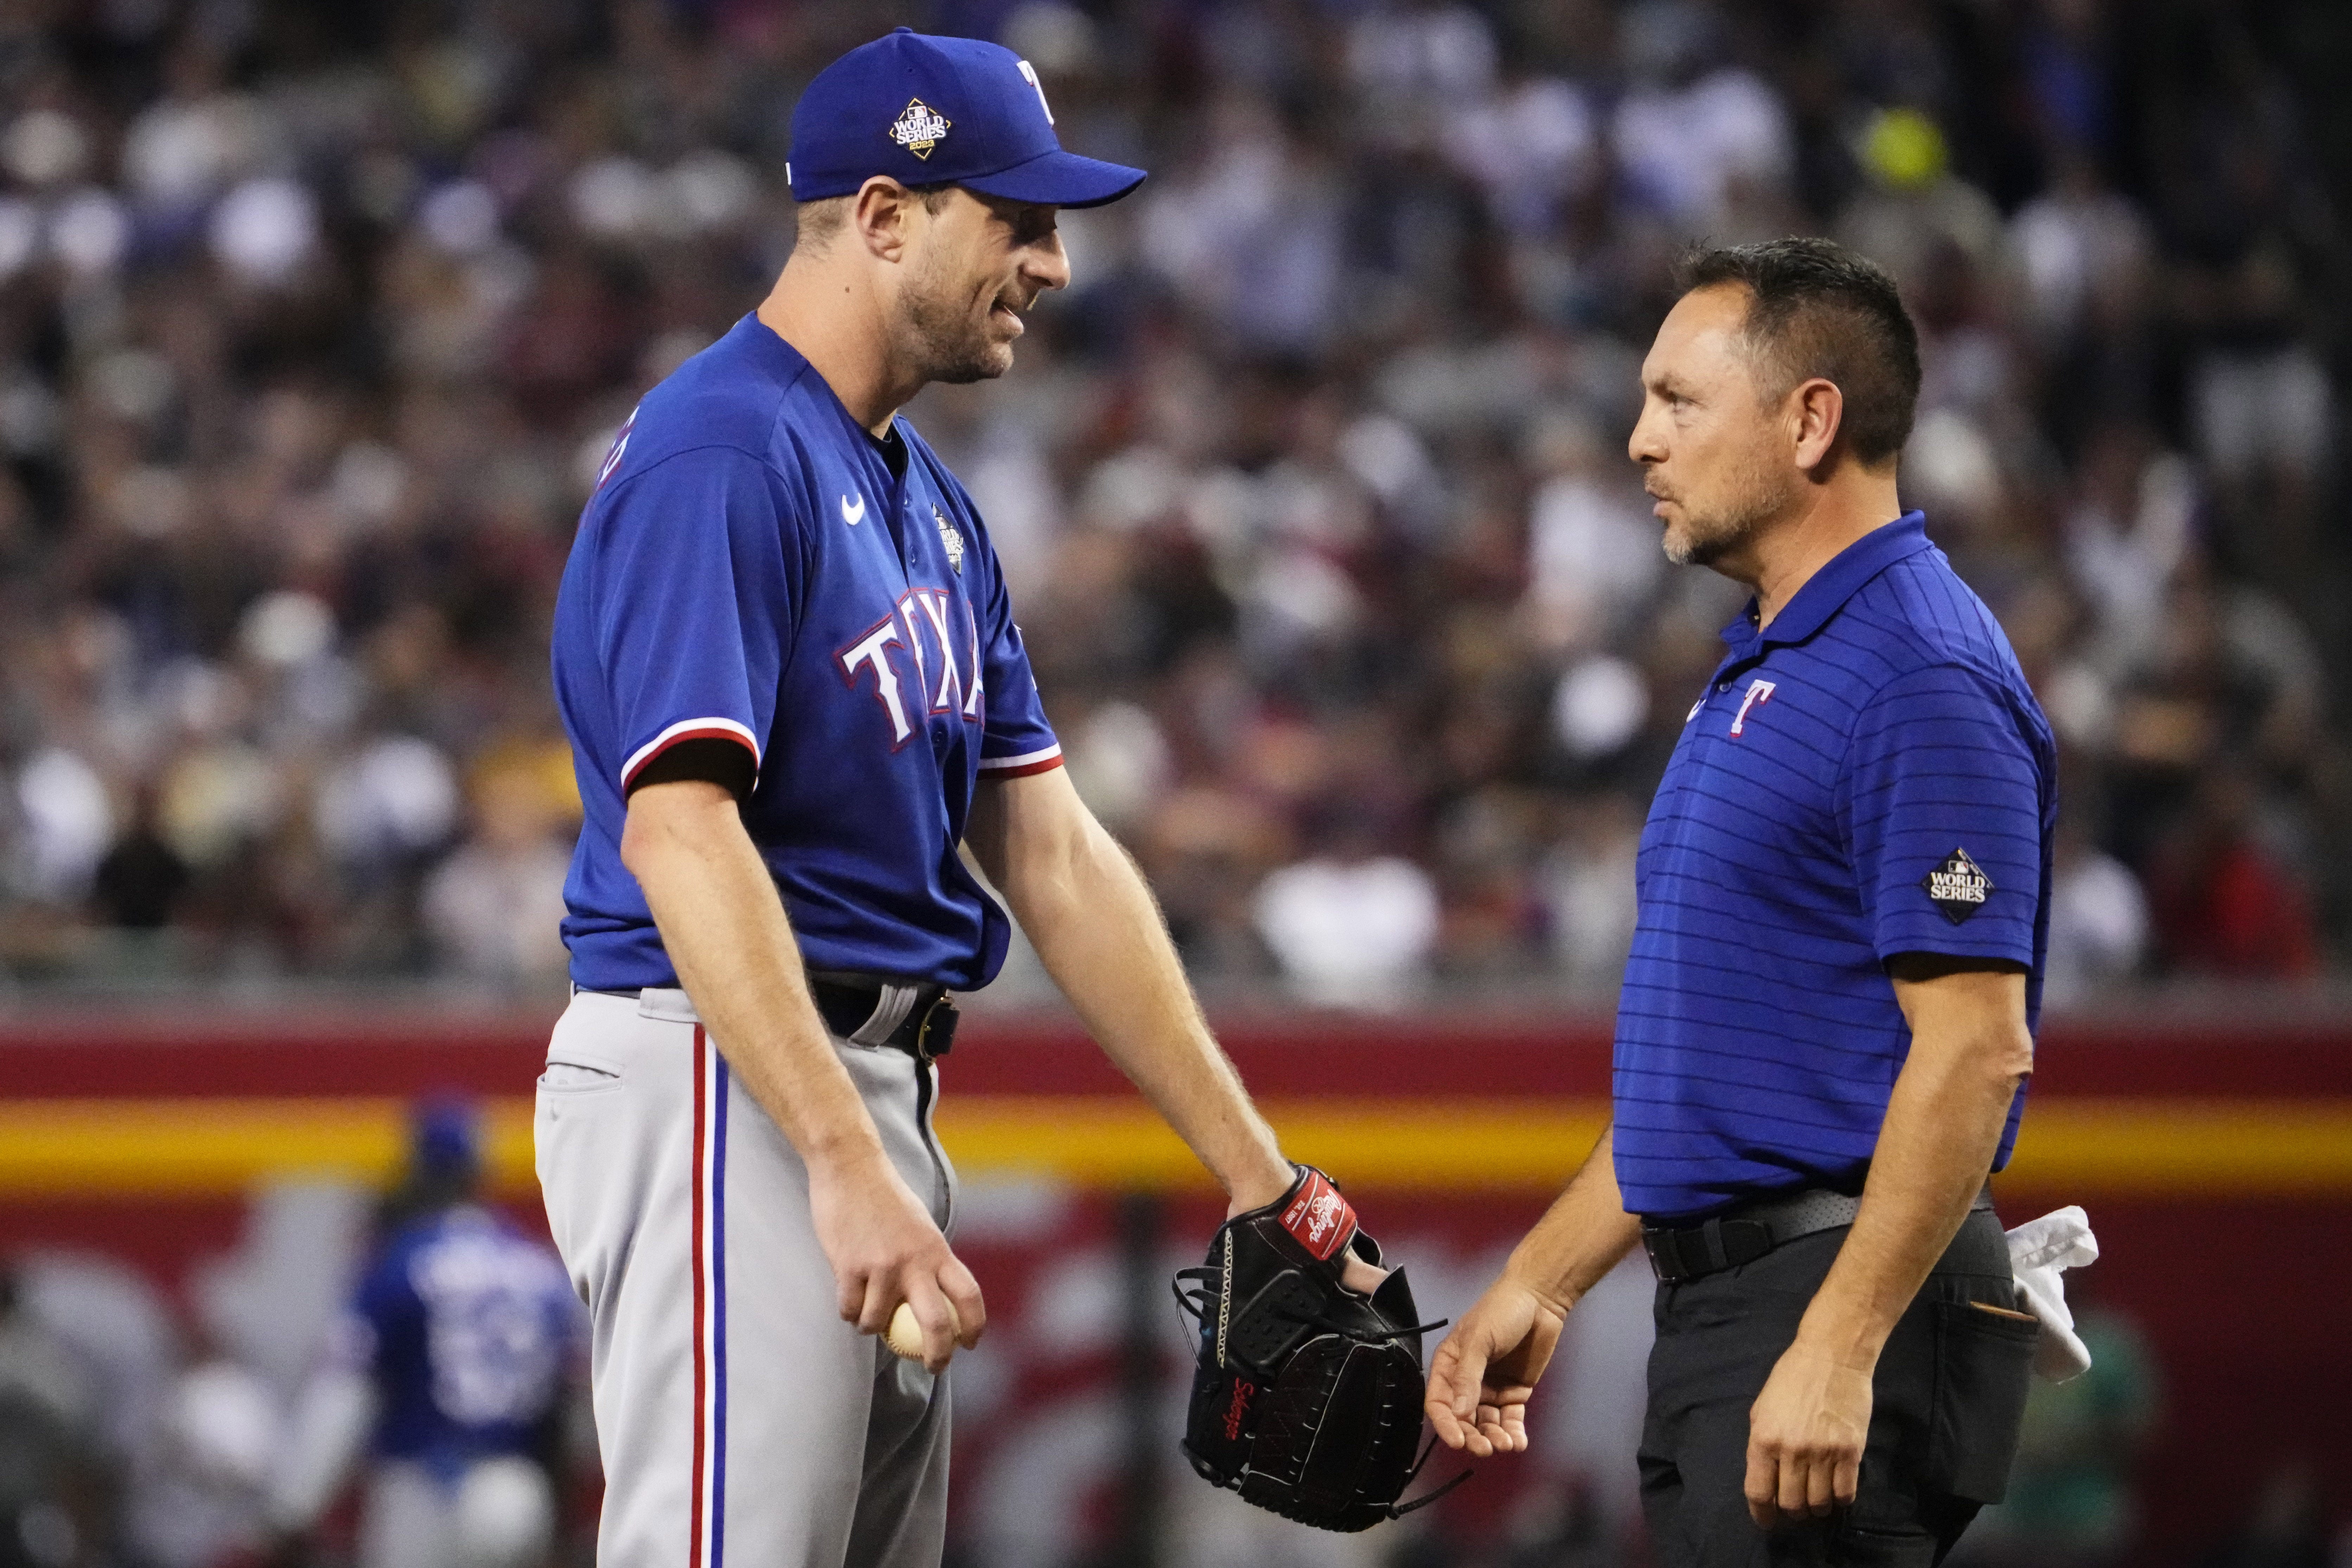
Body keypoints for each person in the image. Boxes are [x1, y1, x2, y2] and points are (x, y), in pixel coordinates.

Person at [537, 27, 1381, 1568]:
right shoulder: (726, 453)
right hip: (730, 1079)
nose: (1054, 264)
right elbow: (680, 825)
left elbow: (1048, 849)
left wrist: (1262, 1176)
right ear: (882, 216)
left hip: (851, 1087)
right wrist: (843, 1168)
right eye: (1019, 218)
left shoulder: (922, 494)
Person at [1426, 237, 2056, 1567]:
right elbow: (1712, 1074)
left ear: (1808, 418)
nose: (1638, 440)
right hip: (1739, 1309)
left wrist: (1836, 1341)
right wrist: (1540, 1281)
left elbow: (1975, 1048)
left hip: (1826, 1304)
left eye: (1676, 400)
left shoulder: (1914, 671)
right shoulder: (1771, 669)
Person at [268, 1100, 581, 1568]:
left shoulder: (401, 1265)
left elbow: (342, 1395)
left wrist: (293, 1509)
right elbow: (575, 1406)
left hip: (425, 1493)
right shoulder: (539, 1270)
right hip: (520, 1497)